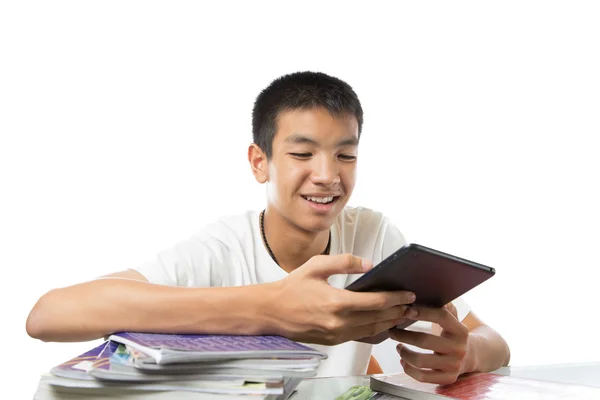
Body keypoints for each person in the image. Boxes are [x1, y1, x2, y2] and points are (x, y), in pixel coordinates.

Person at [26, 71, 510, 383]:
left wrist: (465, 355)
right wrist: (272, 309)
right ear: (260, 162)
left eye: (346, 154)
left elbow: (493, 343)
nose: (327, 175)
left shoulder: (374, 236)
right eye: (302, 154)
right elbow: (49, 315)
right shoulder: (220, 249)